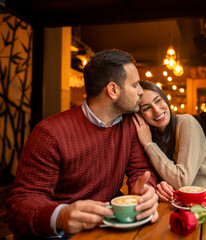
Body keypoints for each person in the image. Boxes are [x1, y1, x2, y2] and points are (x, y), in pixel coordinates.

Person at [6, 50, 159, 239]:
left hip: (105, 228)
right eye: (135, 85)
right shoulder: (49, 133)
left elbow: (140, 170)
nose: (141, 91)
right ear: (113, 90)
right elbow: (19, 205)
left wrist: (144, 190)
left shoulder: (129, 124)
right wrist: (60, 216)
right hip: (58, 234)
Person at [132, 81, 206, 201]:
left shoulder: (187, 123)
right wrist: (160, 186)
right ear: (140, 116)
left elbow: (182, 181)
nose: (156, 110)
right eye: (146, 108)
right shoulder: (149, 134)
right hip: (178, 199)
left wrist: (149, 144)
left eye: (158, 100)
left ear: (165, 100)